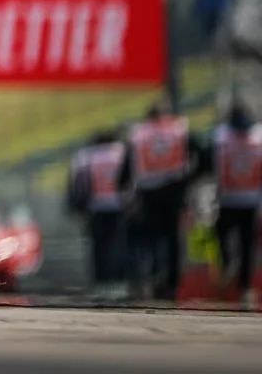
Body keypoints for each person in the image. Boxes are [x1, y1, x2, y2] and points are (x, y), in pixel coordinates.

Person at [122, 100, 197, 301]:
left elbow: (128, 164)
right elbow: (199, 154)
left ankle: (155, 274)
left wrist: (125, 188)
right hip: (175, 191)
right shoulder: (179, 130)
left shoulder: (140, 133)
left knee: (153, 236)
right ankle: (172, 282)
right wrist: (188, 179)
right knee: (173, 237)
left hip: (149, 192)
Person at [67, 129, 129, 295]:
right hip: (119, 206)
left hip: (95, 208)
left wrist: (76, 206)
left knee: (98, 247)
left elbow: (77, 184)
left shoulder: (86, 156)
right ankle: (119, 281)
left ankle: (101, 282)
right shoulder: (121, 153)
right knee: (119, 245)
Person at [210, 103, 260, 302]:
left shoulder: (222, 137)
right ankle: (245, 286)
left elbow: (214, 165)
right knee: (248, 243)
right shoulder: (258, 137)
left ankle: (228, 261)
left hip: (228, 196)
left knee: (221, 232)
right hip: (251, 197)